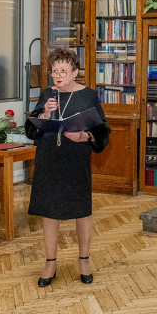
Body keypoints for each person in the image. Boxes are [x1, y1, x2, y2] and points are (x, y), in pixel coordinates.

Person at [26, 48, 110, 287]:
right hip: (49, 158)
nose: (58, 75)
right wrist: (45, 111)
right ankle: (50, 263)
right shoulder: (47, 94)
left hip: (76, 159)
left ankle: (84, 260)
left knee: (81, 210)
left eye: (63, 71)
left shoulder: (88, 95)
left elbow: (103, 130)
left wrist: (86, 137)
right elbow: (31, 129)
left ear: (75, 72)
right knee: (50, 212)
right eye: (54, 71)